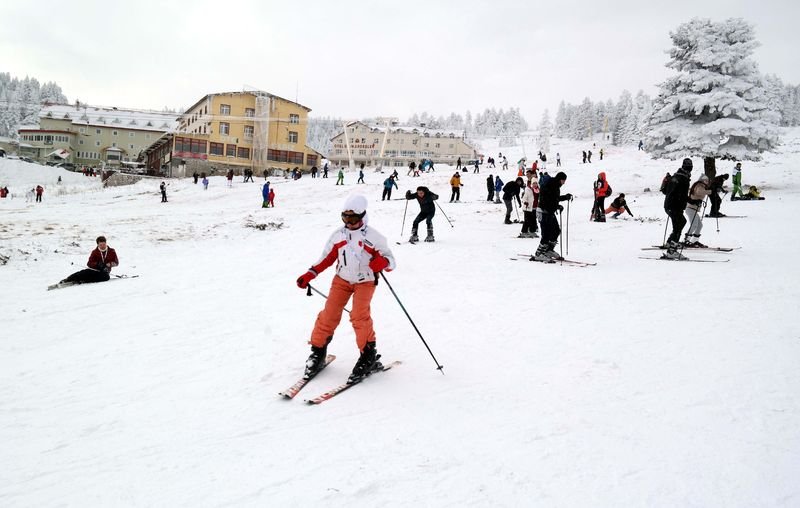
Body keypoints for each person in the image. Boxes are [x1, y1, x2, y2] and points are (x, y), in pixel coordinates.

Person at [295, 195, 396, 384]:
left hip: (365, 281)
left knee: (359, 315)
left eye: (353, 218)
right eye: (345, 218)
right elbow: (326, 258)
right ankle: (318, 352)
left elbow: (391, 262)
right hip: (341, 279)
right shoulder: (338, 235)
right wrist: (310, 274)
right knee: (329, 314)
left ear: (363, 216)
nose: (349, 223)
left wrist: (382, 262)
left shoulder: (374, 237)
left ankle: (368, 356)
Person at [532, 172, 572, 262]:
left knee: (556, 231)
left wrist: (565, 197)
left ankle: (548, 250)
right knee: (546, 233)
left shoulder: (555, 185)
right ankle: (539, 253)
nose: (564, 183)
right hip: (543, 211)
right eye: (563, 180)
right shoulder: (551, 184)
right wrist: (556, 206)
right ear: (559, 179)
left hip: (549, 211)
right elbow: (546, 199)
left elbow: (554, 198)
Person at [662, 158, 693, 259]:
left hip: (669, 206)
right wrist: (692, 201)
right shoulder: (683, 179)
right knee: (680, 224)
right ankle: (672, 250)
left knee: (678, 224)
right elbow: (682, 195)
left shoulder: (675, 176)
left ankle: (670, 243)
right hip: (675, 206)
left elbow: (666, 191)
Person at [684, 175, 711, 247]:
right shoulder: (699, 186)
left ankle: (694, 241)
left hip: (694, 209)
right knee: (694, 225)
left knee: (699, 225)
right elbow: (700, 192)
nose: (707, 182)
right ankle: (686, 240)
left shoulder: (701, 186)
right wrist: (710, 191)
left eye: (707, 181)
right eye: (706, 180)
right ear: (702, 180)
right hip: (690, 208)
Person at [519, 170, 540, 238]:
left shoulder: (538, 190)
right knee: (527, 220)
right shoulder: (528, 189)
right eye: (533, 183)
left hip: (535, 207)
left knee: (533, 220)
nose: (535, 185)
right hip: (528, 207)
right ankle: (524, 232)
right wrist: (525, 202)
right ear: (531, 184)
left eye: (536, 183)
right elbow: (525, 197)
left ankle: (532, 231)